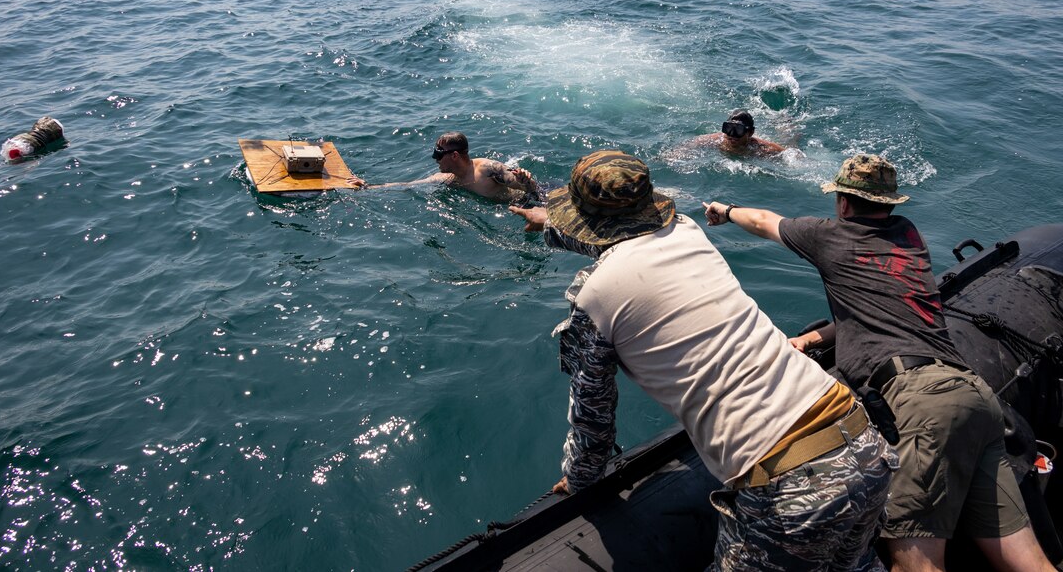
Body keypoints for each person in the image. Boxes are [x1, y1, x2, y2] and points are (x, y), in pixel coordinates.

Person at [510, 150, 894, 571]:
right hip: (863, 440)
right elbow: (618, 246)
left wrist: (581, 478)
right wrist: (550, 223)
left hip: (790, 485)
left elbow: (593, 416)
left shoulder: (593, 298)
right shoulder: (689, 231)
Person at [703, 154, 1055, 572]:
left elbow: (762, 220)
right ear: (888, 203)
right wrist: (812, 338)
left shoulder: (828, 236)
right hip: (974, 395)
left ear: (844, 202)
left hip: (923, 404)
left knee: (916, 564)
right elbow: (878, 311)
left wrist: (724, 210)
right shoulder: (908, 235)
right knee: (1027, 561)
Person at [362, 131, 542, 204]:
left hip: (540, 200)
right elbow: (408, 185)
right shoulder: (448, 179)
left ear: (454, 156)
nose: (435, 159)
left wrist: (524, 179)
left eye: (439, 154)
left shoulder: (487, 169)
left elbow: (519, 182)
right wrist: (367, 187)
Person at [683, 110, 785, 157]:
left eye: (738, 130)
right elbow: (691, 143)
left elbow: (790, 154)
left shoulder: (763, 148)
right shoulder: (717, 140)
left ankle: (784, 122)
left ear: (750, 133)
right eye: (729, 129)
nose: (732, 135)